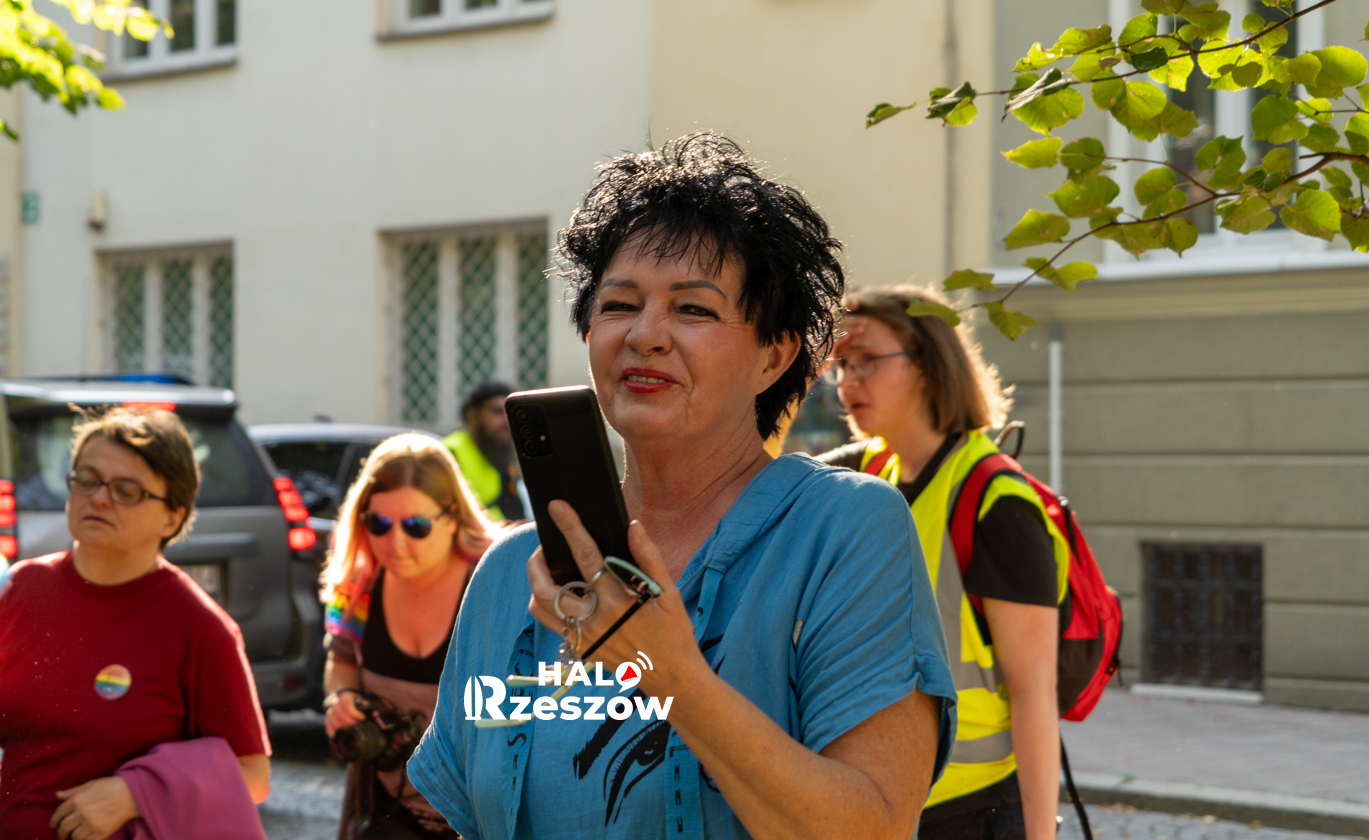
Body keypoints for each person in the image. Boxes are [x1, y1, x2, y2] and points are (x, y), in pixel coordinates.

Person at [407, 133, 957, 840]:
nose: (647, 335)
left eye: (693, 310)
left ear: (774, 356)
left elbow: (873, 827)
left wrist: (669, 674)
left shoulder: (843, 530)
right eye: (619, 304)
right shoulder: (510, 575)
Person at [0, 406, 270, 840]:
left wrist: (136, 794)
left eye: (126, 490)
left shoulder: (200, 627)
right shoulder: (19, 588)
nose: (98, 498)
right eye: (86, 479)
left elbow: (253, 776)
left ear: (172, 517)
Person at [818, 285, 1069, 840]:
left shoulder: (997, 502)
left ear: (928, 366)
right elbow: (757, 477)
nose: (849, 381)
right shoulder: (868, 473)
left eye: (867, 360)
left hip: (972, 813)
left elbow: (1034, 692)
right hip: (881, 796)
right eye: (841, 365)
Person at [320, 433, 498, 839]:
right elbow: (341, 661)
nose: (395, 543)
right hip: (385, 810)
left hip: (482, 818)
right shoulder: (357, 587)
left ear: (452, 517)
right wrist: (341, 698)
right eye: (378, 524)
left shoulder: (496, 583)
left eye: (416, 526)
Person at [443, 381, 529, 522]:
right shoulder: (449, 453)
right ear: (472, 414)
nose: (506, 420)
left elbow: (514, 511)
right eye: (497, 412)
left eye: (509, 413)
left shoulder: (498, 454)